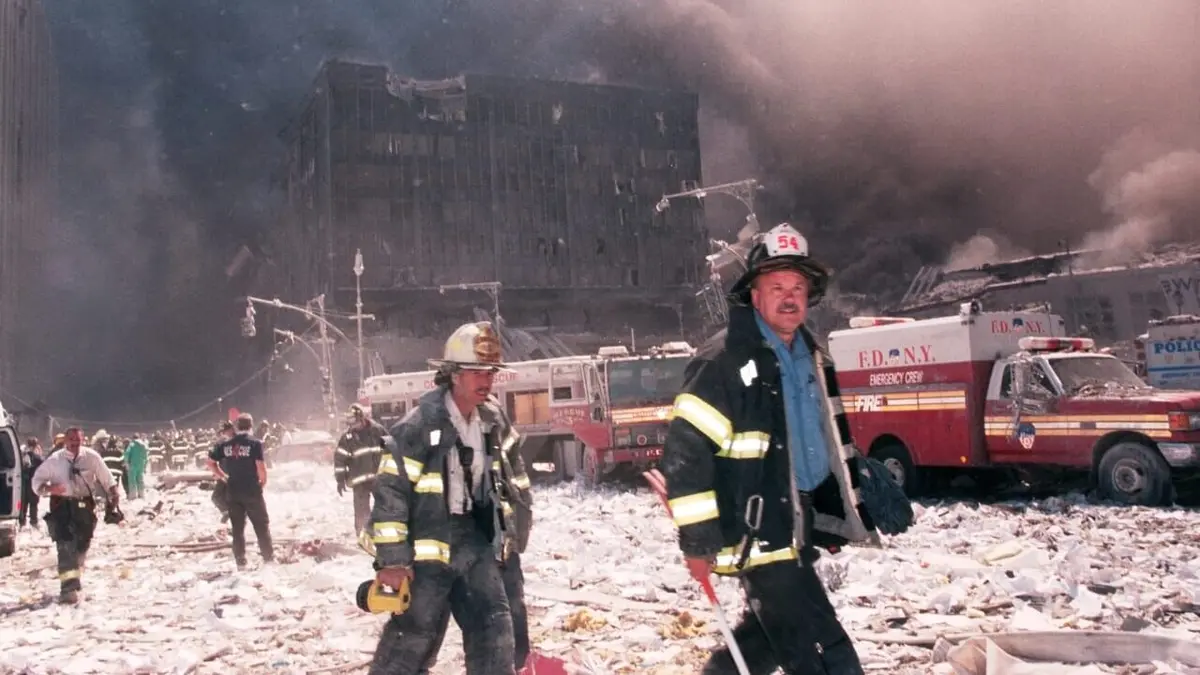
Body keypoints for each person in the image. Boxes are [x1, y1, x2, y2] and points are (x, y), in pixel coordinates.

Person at [655, 223, 913, 675]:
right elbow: (686, 452)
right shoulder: (724, 360)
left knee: (763, 641)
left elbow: (820, 441)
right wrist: (697, 539)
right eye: (776, 287)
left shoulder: (811, 354)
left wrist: (850, 495)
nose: (789, 296)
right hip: (757, 530)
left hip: (798, 522)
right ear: (753, 294)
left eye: (798, 286)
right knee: (819, 649)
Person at [366, 321, 519, 675]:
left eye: (491, 371)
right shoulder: (419, 425)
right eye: (477, 371)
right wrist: (392, 561)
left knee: (494, 630)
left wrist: (508, 533)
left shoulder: (491, 420)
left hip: (475, 543)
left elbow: (506, 481)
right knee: (412, 640)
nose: (487, 380)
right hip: (427, 548)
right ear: (453, 374)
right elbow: (391, 492)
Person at [416, 381, 536, 675]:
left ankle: (517, 666)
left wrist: (518, 525)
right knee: (432, 613)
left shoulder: (493, 417)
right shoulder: (429, 422)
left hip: (496, 534)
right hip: (447, 538)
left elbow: (515, 474)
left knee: (506, 611)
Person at [31, 427, 121, 604]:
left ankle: (75, 573)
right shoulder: (54, 461)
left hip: (84, 506)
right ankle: (68, 588)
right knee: (65, 547)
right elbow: (36, 482)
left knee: (82, 544)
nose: (74, 443)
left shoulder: (91, 457)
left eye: (77, 440)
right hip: (62, 507)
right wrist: (50, 488)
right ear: (65, 441)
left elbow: (106, 476)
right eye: (71, 440)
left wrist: (113, 492)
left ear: (83, 440)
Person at [207, 413, 274, 569]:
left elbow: (210, 462)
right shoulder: (255, 443)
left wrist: (223, 477)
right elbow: (260, 467)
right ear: (251, 426)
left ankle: (240, 562)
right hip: (251, 488)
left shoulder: (225, 445)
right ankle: (268, 558)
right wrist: (262, 482)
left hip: (233, 490)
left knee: (237, 528)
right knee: (261, 525)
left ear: (237, 426)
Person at [335, 403, 388, 533]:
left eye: (356, 423)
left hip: (380, 478)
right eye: (351, 424)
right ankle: (364, 535)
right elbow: (340, 460)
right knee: (361, 511)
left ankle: (386, 534)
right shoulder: (347, 438)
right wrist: (340, 480)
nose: (353, 427)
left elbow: (390, 449)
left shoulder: (378, 431)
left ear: (363, 419)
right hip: (360, 482)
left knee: (385, 507)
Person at [210, 421, 235, 522]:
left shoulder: (223, 443)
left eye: (222, 432)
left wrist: (218, 473)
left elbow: (212, 461)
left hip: (226, 475)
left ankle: (227, 514)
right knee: (222, 498)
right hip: (226, 474)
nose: (221, 435)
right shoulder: (233, 442)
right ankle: (228, 515)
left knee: (216, 497)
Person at [19, 437, 44, 529]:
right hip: (34, 482)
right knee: (33, 503)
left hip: (23, 483)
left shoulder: (21, 455)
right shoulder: (38, 457)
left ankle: (22, 521)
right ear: (36, 445)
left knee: (23, 503)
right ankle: (33, 521)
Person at [121, 434, 149, 500]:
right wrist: (145, 466)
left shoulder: (131, 445)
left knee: (132, 481)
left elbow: (127, 454)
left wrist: (127, 463)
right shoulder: (143, 445)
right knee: (140, 480)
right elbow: (146, 457)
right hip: (141, 465)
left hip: (132, 466)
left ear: (133, 438)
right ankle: (141, 495)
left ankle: (133, 496)